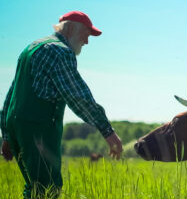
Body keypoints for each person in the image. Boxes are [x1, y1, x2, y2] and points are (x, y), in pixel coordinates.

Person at [0, 11, 123, 198]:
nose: (87, 42)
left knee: (34, 187)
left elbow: (11, 95)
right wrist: (107, 131)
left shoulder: (30, 48)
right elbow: (78, 97)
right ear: (71, 27)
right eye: (86, 35)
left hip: (17, 126)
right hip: (38, 131)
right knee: (48, 189)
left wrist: (7, 135)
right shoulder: (60, 52)